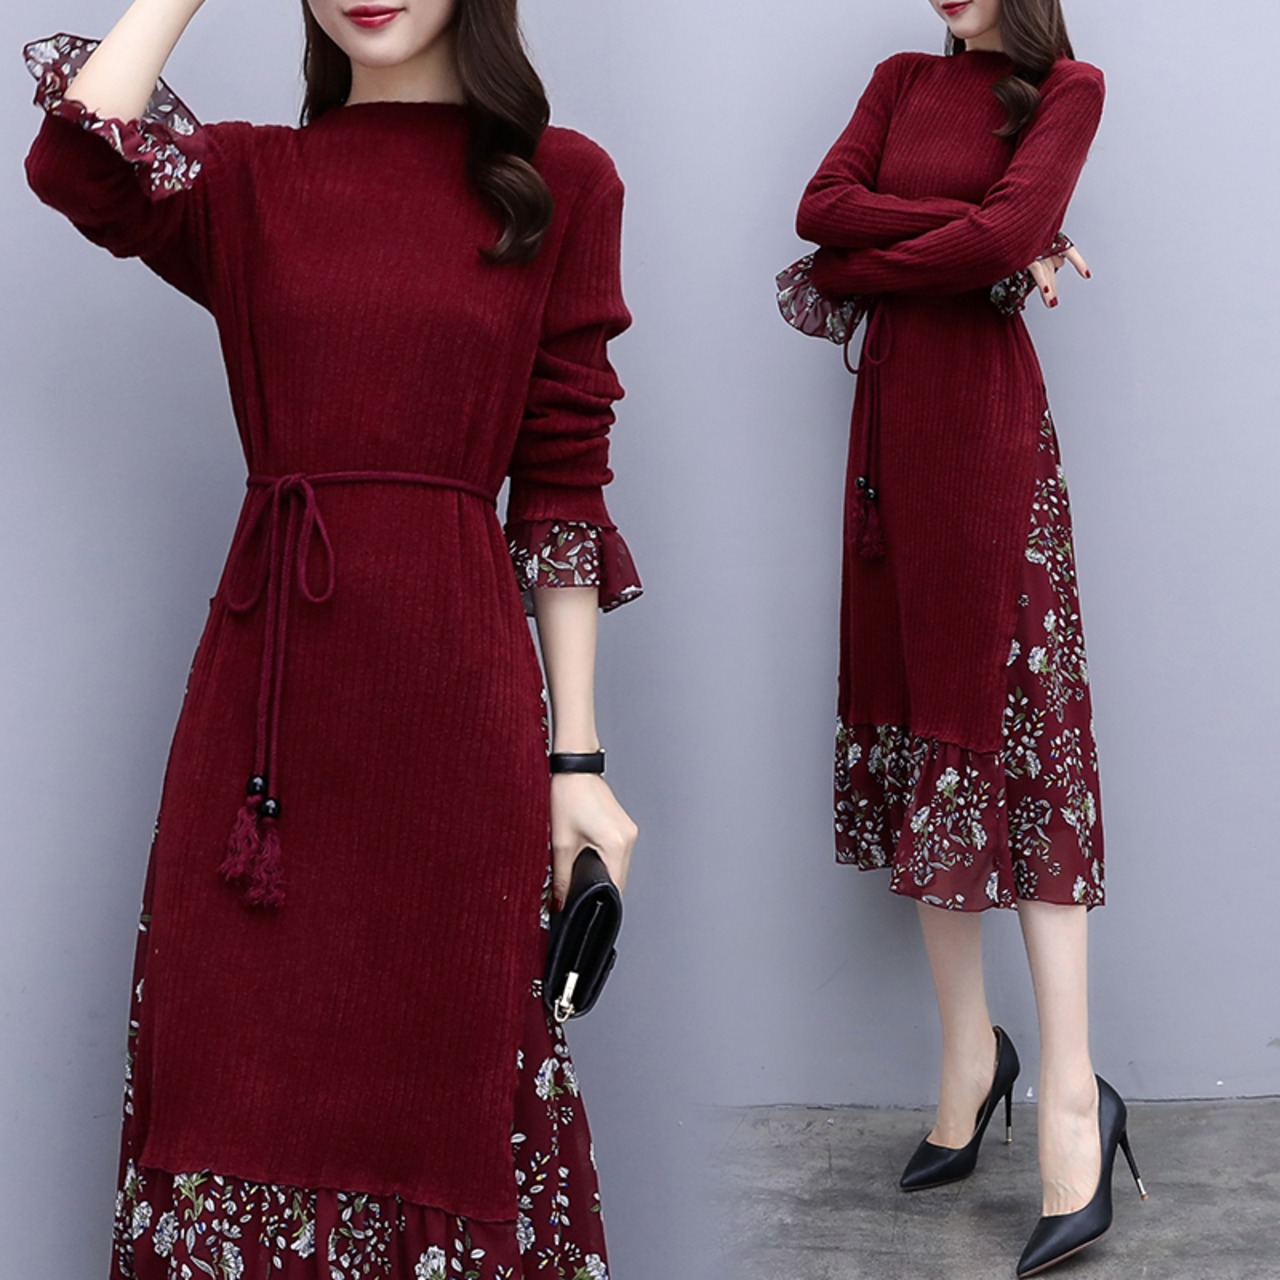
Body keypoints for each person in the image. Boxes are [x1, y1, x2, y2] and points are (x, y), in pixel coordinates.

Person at [23, 2, 640, 1276]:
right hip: (264, 732)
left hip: (452, 717)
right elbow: (75, 156)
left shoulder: (560, 183)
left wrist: (575, 764)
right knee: (232, 1090)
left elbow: (564, 483)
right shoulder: (250, 180)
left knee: (439, 1108)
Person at [793, 1, 1145, 1274]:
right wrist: (981, 245)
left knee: (1022, 750)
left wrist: (972, 242)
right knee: (918, 728)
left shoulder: (1066, 90)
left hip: (987, 446)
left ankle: (1071, 1098)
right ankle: (965, 1057)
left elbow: (961, 237)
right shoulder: (897, 79)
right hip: (891, 452)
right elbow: (817, 220)